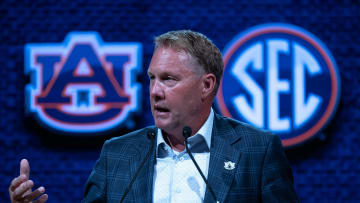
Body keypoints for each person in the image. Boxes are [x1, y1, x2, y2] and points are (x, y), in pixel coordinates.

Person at [9, 30, 299, 203]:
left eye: (169, 79)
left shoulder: (256, 151)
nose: (155, 91)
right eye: (152, 78)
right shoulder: (119, 154)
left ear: (206, 85)